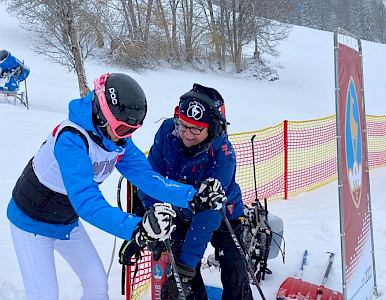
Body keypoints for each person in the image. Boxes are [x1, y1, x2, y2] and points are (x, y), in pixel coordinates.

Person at [7, 73, 226, 300]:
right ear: (102, 115)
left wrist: (192, 197)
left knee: (97, 285)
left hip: (65, 221)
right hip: (31, 222)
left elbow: (147, 177)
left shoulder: (114, 138)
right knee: (45, 294)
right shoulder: (71, 140)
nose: (127, 137)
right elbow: (88, 203)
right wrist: (136, 229)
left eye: (133, 130)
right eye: (123, 129)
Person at [139, 83, 253, 299]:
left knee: (234, 272)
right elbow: (149, 180)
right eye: (183, 126)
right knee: (185, 285)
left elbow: (207, 217)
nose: (187, 135)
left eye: (196, 129)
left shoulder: (224, 155)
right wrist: (156, 218)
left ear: (213, 129)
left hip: (222, 214)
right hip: (180, 212)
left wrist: (187, 265)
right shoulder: (166, 132)